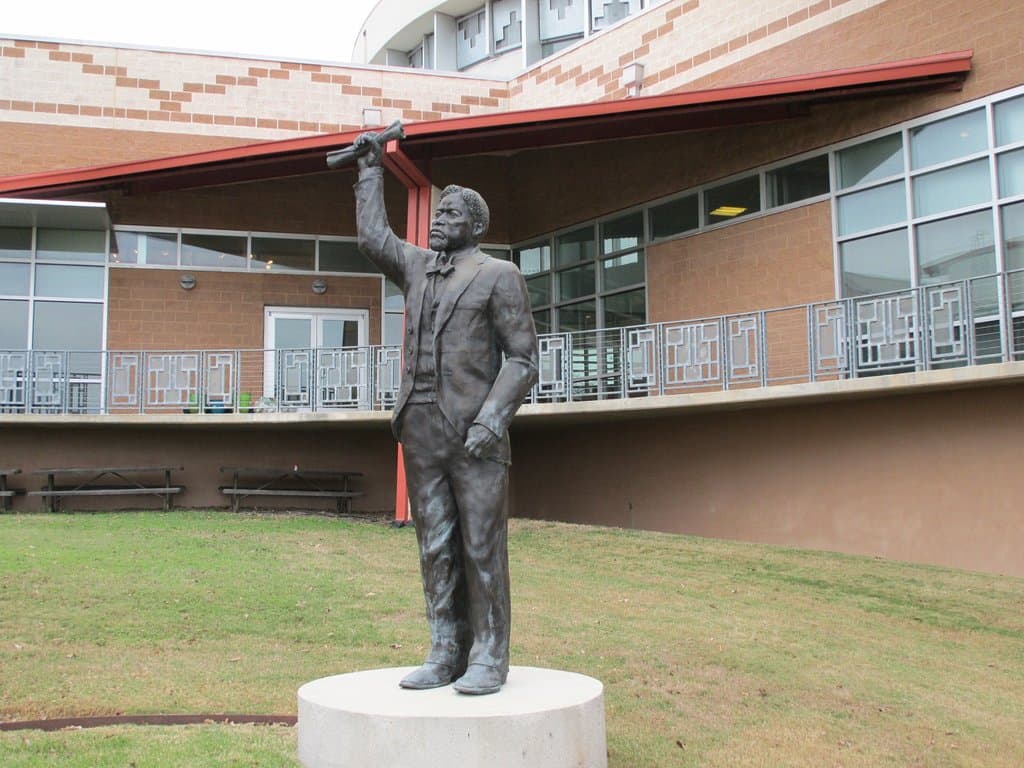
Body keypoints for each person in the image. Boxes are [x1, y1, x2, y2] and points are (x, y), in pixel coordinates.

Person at [353, 129, 538, 695]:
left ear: (475, 226)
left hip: (474, 432)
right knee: (434, 545)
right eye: (437, 212)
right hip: (422, 427)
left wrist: (491, 419)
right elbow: (372, 237)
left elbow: (523, 358)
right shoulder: (415, 267)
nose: (437, 220)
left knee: (481, 546)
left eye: (451, 214)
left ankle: (489, 655)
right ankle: (444, 649)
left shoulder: (497, 275)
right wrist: (368, 169)